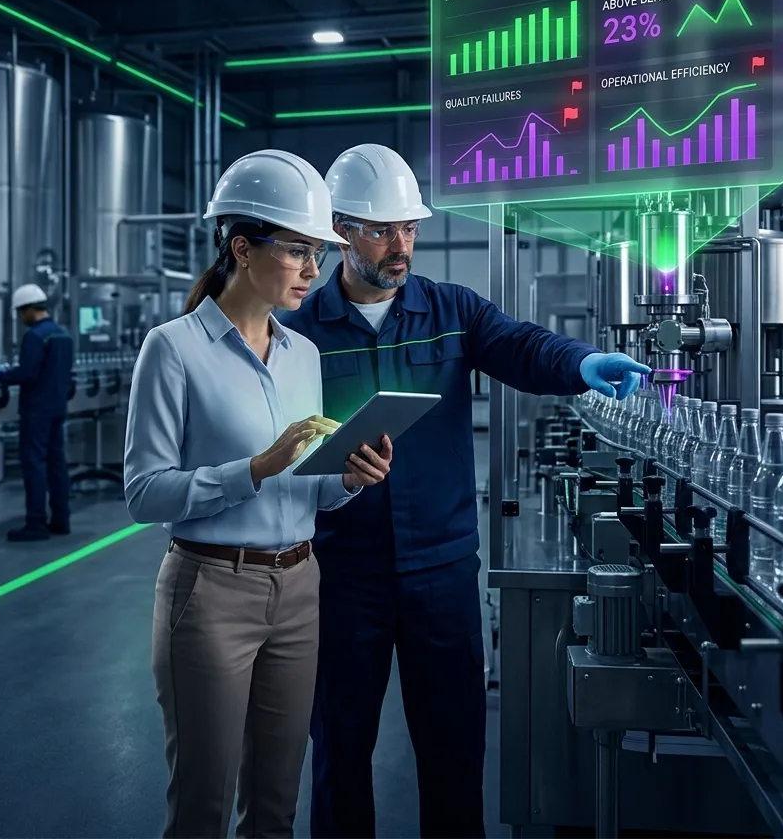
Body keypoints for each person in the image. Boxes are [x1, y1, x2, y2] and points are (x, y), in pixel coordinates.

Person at [278, 143, 650, 839]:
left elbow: (523, 346)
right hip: (340, 573)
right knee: (339, 750)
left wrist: (584, 361)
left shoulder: (454, 311)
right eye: (383, 229)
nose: (401, 245)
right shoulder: (297, 333)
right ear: (342, 231)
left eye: (409, 229)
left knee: (453, 752)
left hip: (441, 574)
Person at [123, 149, 395, 839]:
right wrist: (254, 467)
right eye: (300, 252)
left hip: (301, 587)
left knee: (276, 809)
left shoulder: (301, 353)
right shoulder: (174, 348)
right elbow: (144, 492)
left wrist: (348, 478)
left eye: (319, 253)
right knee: (202, 809)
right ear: (243, 249)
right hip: (211, 593)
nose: (315, 271)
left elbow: (305, 488)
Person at [0, 284, 74, 542]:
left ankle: (35, 522)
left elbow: (28, 373)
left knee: (34, 464)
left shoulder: (36, 336)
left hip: (37, 410)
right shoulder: (63, 334)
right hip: (58, 407)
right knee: (56, 463)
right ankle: (61, 519)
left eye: (19, 313)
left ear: (28, 310)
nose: (19, 318)